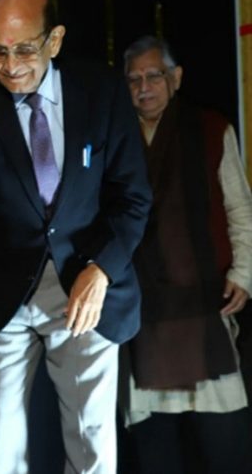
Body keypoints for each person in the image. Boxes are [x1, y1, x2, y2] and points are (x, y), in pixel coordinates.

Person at [0, 0, 152, 474]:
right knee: (0, 440)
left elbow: (132, 197)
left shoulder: (101, 93)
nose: (11, 65)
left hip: (86, 284)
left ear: (55, 40)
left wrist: (102, 269)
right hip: (5, 289)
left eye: (24, 49)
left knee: (92, 440)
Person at [121, 35, 252, 474]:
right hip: (145, 315)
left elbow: (240, 209)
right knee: (156, 448)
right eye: (134, 78)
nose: (144, 87)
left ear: (175, 78)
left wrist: (245, 273)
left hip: (204, 307)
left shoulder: (211, 129)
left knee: (225, 443)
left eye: (154, 75)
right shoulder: (116, 138)